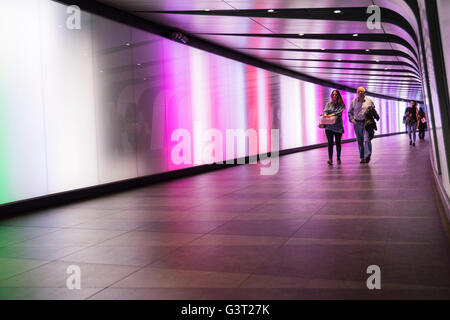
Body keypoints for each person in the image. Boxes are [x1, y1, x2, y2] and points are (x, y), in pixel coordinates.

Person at [348, 87, 376, 164]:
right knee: (360, 141)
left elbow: (373, 108)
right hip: (357, 123)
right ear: (357, 92)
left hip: (366, 122)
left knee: (366, 139)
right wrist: (352, 120)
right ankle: (362, 157)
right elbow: (349, 112)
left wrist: (369, 110)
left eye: (361, 91)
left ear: (364, 92)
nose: (360, 92)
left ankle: (367, 155)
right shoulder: (354, 101)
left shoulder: (369, 100)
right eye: (358, 91)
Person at [322, 90, 346, 165]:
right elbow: (325, 111)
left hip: (338, 126)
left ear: (338, 95)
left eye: (336, 94)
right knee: (330, 143)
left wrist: (330, 115)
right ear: (331, 95)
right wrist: (325, 114)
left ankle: (338, 157)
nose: (334, 96)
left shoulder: (341, 104)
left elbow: (338, 113)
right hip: (329, 126)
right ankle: (330, 159)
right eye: (333, 94)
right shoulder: (328, 104)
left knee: (338, 143)